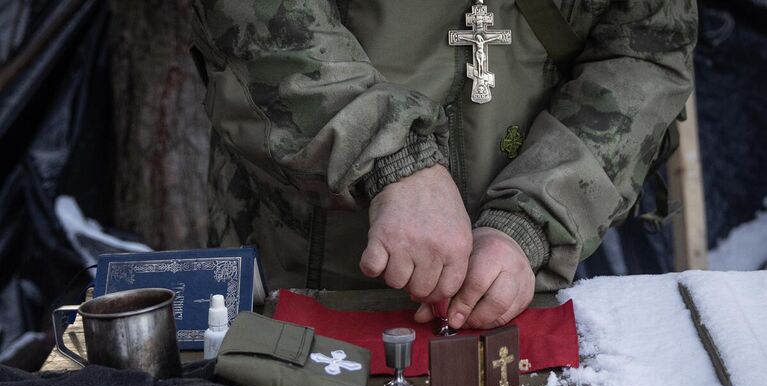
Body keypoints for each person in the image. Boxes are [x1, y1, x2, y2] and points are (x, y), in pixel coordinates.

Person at [189, 0, 697, 329]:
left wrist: (535, 219)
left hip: (523, 277)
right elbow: (252, 14)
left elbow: (646, 47)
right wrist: (392, 160)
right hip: (299, 260)